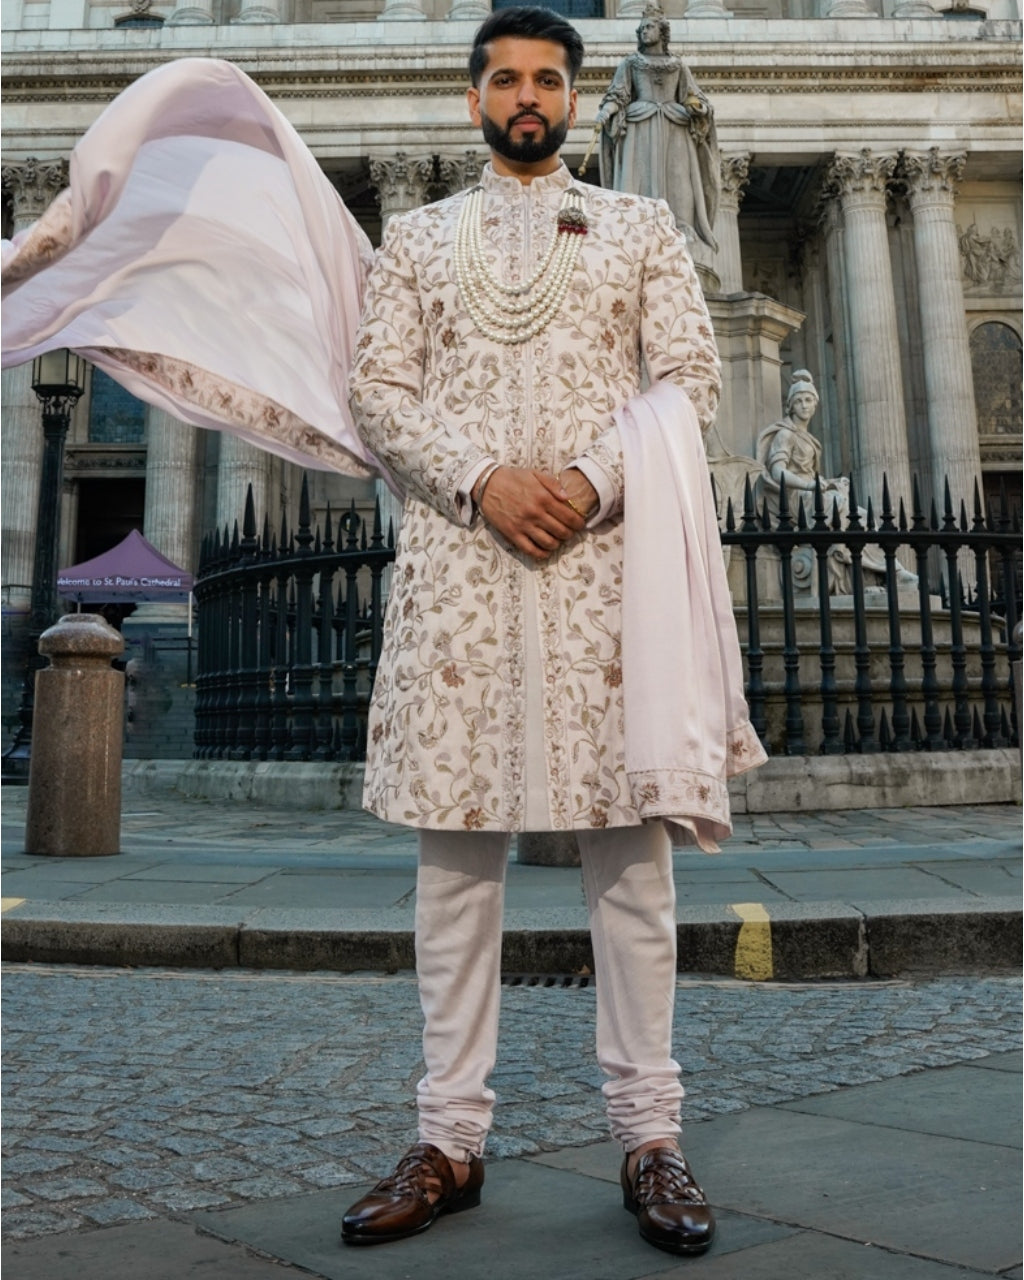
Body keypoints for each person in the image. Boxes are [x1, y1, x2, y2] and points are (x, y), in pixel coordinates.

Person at [340, 5, 760, 1259]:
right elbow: (376, 387)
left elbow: (690, 376)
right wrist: (481, 477)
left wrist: (585, 477)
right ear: (474, 98)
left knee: (631, 872)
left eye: (546, 80)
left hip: (599, 576)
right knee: (453, 875)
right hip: (463, 570)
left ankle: (650, 1134)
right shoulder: (414, 238)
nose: (527, 96)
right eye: (506, 79)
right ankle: (448, 1138)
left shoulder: (638, 226)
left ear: (575, 100)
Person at [756, 370, 915, 593]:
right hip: (793, 499)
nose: (804, 405)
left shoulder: (810, 439)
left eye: (808, 400)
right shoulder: (786, 435)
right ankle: (891, 572)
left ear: (815, 404)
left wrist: (828, 482)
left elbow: (810, 476)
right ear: (790, 406)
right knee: (843, 508)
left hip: (810, 496)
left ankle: (886, 573)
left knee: (857, 515)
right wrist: (811, 485)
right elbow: (777, 473)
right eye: (799, 401)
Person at [595, 5, 720, 250]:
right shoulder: (631, 63)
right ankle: (635, 223)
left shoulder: (678, 65)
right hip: (640, 125)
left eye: (649, 27)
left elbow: (695, 96)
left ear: (662, 32)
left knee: (679, 177)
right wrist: (605, 112)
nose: (644, 32)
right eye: (641, 29)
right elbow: (617, 95)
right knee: (638, 174)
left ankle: (681, 224)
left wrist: (700, 109)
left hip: (675, 126)